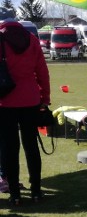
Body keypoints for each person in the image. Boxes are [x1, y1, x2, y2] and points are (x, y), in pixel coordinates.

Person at [0, 20, 50, 205]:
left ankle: (15, 194)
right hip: (30, 99)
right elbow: (42, 71)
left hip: (5, 101)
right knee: (31, 146)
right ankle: (36, 190)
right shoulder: (31, 39)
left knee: (9, 149)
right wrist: (45, 96)